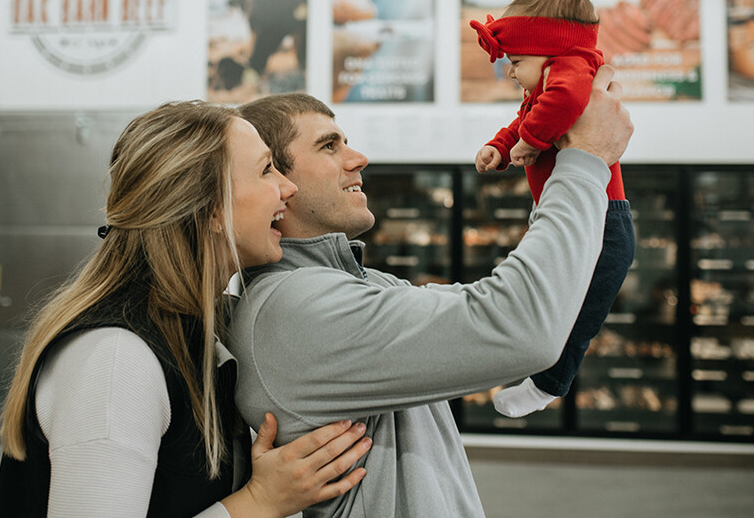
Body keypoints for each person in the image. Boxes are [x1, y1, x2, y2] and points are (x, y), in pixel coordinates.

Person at [229, 72, 632, 518]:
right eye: (329, 146)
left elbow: (536, 300)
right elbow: (521, 326)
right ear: (277, 183)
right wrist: (585, 160)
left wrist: (560, 166)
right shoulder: (292, 310)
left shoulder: (361, 285)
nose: (358, 158)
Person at [0, 101, 372, 518]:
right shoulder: (116, 358)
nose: (287, 187)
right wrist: (259, 502)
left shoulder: (192, 331)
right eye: (266, 170)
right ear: (210, 209)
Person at [470, 0, 635, 417]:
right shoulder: (543, 86)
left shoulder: (572, 69)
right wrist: (501, 146)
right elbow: (526, 118)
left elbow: (563, 102)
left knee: (584, 306)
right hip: (563, 213)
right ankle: (532, 359)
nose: (510, 71)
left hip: (604, 220)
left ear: (550, 49)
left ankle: (549, 382)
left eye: (516, 60)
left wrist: (531, 139)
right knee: (548, 295)